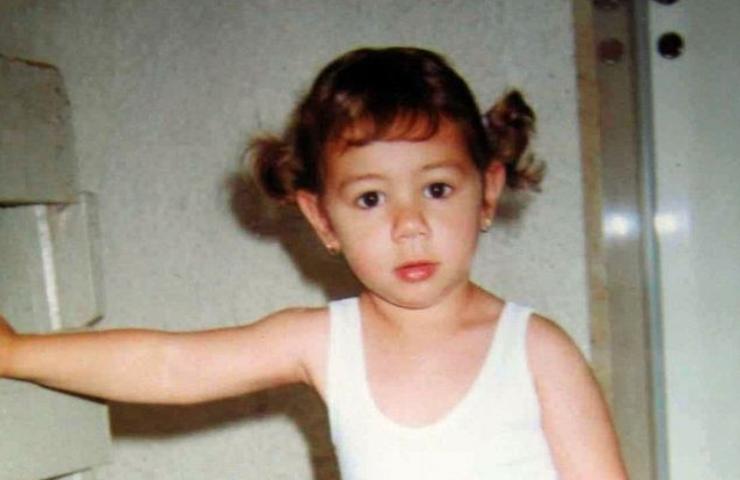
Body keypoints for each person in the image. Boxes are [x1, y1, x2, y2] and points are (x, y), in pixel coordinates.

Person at [0, 47, 627, 479]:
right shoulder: (326, 342)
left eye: (436, 189)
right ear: (323, 218)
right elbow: (172, 365)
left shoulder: (535, 350)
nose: (408, 224)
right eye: (371, 198)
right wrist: (16, 353)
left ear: (487, 191)